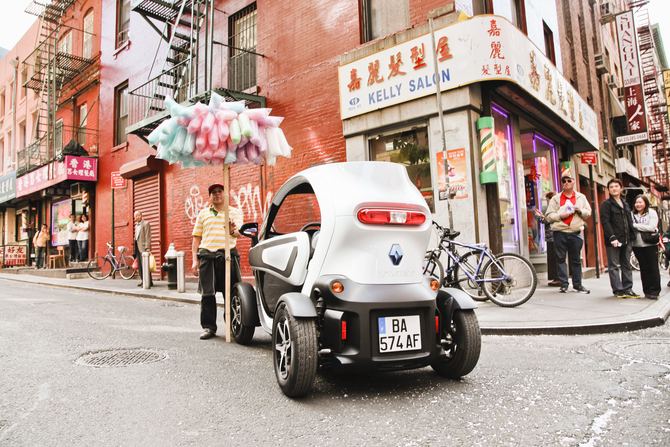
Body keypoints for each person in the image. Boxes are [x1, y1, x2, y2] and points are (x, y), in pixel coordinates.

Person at [192, 183, 244, 340]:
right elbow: (196, 239)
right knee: (207, 294)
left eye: (220, 191)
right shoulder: (203, 214)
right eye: (213, 192)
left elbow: (238, 234)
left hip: (228, 257)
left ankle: (233, 326)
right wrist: (195, 260)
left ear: (225, 194)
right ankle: (209, 328)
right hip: (207, 256)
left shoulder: (234, 212)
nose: (217, 194)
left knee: (232, 293)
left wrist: (231, 230)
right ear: (210, 196)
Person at [544, 173, 591, 294]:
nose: (566, 183)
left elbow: (588, 212)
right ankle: (564, 284)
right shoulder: (556, 199)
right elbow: (548, 216)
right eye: (564, 181)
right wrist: (560, 215)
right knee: (560, 259)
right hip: (560, 231)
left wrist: (580, 210)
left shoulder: (581, 197)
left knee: (575, 260)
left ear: (574, 182)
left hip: (575, 231)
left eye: (569, 180)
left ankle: (578, 284)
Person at [600, 179, 641, 298]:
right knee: (613, 266)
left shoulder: (625, 203)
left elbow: (629, 221)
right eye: (611, 187)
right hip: (613, 240)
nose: (614, 188)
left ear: (621, 189)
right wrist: (612, 238)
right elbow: (605, 222)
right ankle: (618, 290)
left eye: (616, 186)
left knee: (626, 264)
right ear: (609, 190)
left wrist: (632, 236)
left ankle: (628, 289)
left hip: (627, 239)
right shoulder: (606, 204)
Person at [631, 195, 660, 299]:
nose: (638, 205)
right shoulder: (632, 214)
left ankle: (655, 291)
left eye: (640, 202)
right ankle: (647, 290)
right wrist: (642, 227)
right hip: (637, 245)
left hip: (650, 244)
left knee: (653, 267)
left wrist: (635, 226)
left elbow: (652, 227)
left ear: (645, 203)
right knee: (643, 268)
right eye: (636, 203)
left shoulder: (651, 213)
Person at [534, 191, 559, 286]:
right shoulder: (556, 208)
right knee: (554, 257)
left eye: (548, 200)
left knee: (554, 258)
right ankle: (557, 278)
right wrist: (542, 216)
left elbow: (548, 220)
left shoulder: (553, 208)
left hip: (553, 236)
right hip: (553, 236)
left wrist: (540, 217)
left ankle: (557, 278)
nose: (547, 202)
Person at [134, 211, 154, 287]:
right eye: (135, 216)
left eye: (138, 215)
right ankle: (143, 280)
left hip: (144, 248)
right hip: (137, 248)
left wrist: (147, 247)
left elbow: (147, 236)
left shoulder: (146, 224)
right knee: (140, 266)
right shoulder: (136, 226)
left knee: (145, 265)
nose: (137, 217)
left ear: (141, 216)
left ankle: (149, 281)